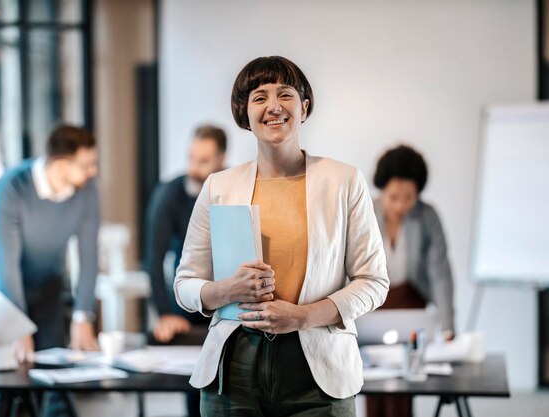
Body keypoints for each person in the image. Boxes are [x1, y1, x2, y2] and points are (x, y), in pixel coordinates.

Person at [173, 56, 389, 416]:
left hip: (318, 372)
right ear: (244, 113)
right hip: (234, 366)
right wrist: (228, 289)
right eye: (259, 97)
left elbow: (373, 281)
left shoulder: (344, 181)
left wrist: (303, 316)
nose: (273, 106)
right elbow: (184, 284)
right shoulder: (219, 187)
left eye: (285, 94)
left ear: (303, 107)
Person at [0, 125, 100, 417]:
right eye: (86, 164)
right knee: (4, 374)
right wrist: (16, 324)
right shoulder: (12, 186)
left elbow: (88, 256)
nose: (93, 171)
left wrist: (83, 315)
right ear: (60, 162)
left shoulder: (86, 192)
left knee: (54, 369)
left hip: (46, 281)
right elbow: (7, 261)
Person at [143, 124, 227, 417]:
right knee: (193, 384)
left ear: (221, 159)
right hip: (185, 301)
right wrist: (164, 313)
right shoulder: (169, 194)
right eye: (191, 157)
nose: (193, 167)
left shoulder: (235, 187)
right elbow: (153, 259)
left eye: (203, 161)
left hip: (228, 300)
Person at [366, 144, 455, 417]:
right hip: (373, 303)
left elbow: (440, 273)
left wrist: (448, 325)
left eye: (409, 197)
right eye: (394, 197)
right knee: (372, 380)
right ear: (382, 189)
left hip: (411, 300)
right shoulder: (366, 210)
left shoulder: (428, 217)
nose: (401, 205)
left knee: (407, 378)